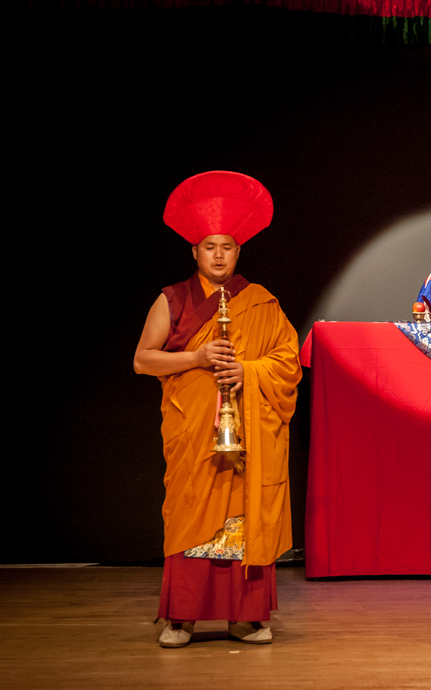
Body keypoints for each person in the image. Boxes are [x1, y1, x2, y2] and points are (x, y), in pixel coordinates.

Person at [134, 171, 301, 648]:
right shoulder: (173, 299)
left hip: (246, 441)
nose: (220, 255)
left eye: (227, 246)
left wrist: (247, 371)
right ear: (195, 251)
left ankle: (244, 618)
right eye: (210, 247)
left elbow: (288, 362)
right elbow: (143, 360)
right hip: (194, 438)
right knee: (189, 516)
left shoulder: (261, 302)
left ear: (238, 251)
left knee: (244, 518)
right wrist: (198, 357)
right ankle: (182, 618)